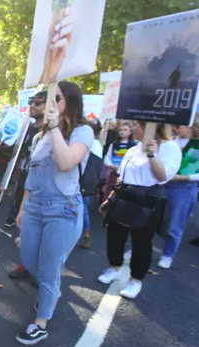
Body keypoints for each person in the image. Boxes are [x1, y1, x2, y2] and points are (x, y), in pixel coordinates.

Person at [15, 81, 94, 345]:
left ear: (70, 102)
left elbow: (67, 162)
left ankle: (41, 322)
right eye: (48, 98)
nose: (50, 103)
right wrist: (23, 207)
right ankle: (52, 292)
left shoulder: (82, 131)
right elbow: (32, 176)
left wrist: (54, 129)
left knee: (50, 269)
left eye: (56, 98)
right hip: (35, 207)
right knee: (29, 260)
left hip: (63, 210)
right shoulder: (38, 137)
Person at [97, 123, 181, 298]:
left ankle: (135, 280)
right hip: (124, 196)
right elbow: (121, 178)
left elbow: (163, 176)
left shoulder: (169, 147)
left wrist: (152, 154)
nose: (133, 128)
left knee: (141, 242)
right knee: (115, 236)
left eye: (136, 124)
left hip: (148, 200)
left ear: (150, 127)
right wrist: (109, 200)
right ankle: (114, 268)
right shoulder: (134, 148)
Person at [6, 91, 46, 280]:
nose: (33, 106)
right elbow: (17, 154)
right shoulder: (28, 128)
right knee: (23, 224)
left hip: (41, 185)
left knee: (41, 229)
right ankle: (26, 264)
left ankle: (40, 271)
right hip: (24, 180)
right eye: (31, 102)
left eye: (38, 103)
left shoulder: (51, 130)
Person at [157, 120, 199, 269]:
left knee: (175, 224)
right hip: (163, 184)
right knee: (151, 218)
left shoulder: (196, 145)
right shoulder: (170, 141)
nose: (175, 128)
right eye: (173, 126)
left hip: (184, 188)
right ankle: (138, 248)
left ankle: (168, 255)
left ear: (191, 125)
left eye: (178, 126)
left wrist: (183, 178)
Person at [78, 119, 104, 249]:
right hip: (84, 180)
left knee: (82, 208)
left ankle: (86, 234)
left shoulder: (93, 144)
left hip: (83, 181)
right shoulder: (94, 143)